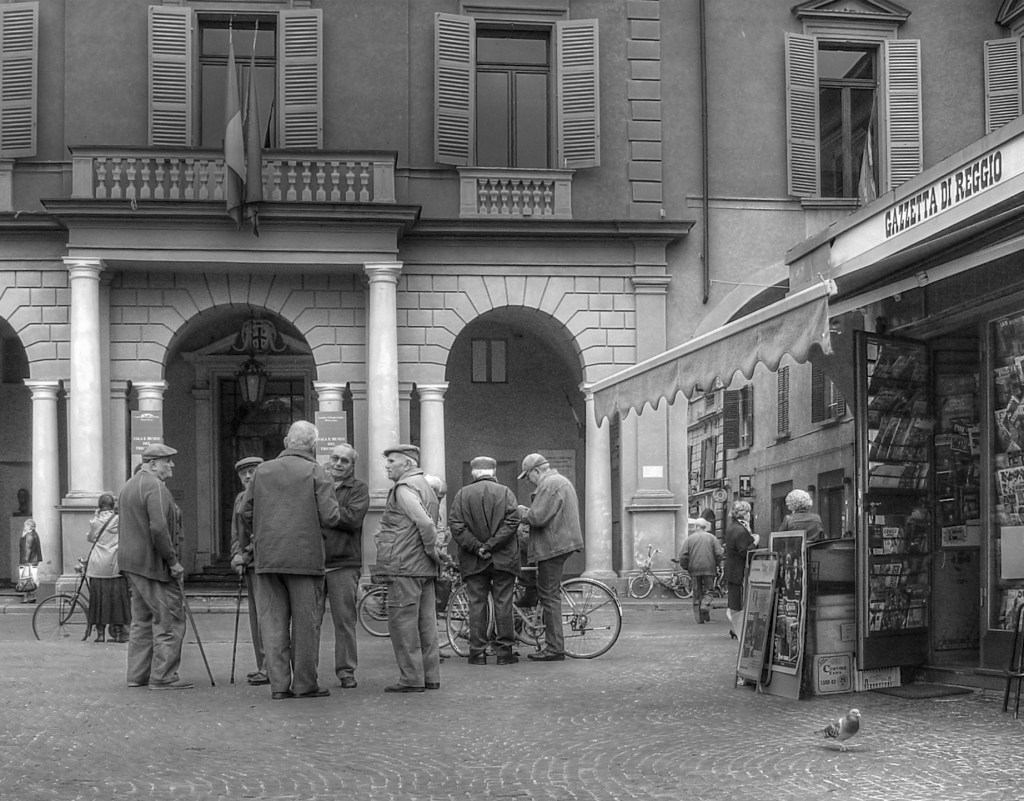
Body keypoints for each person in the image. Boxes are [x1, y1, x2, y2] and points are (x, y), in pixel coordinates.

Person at [241, 420, 342, 700]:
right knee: (306, 625)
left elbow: (244, 511)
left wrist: (263, 530)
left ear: (287, 442)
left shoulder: (262, 471)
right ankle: (304, 684)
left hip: (268, 557)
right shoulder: (315, 472)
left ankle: (278, 686)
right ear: (313, 445)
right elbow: (331, 516)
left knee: (272, 624)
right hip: (305, 558)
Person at [118, 443, 191, 690]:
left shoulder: (128, 486)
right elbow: (159, 529)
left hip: (132, 564)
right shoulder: (155, 487)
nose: (172, 465)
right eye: (167, 461)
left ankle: (137, 675)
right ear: (152, 464)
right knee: (169, 619)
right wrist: (173, 561)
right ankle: (163, 675)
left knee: (141, 620)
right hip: (153, 566)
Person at [373, 443, 444, 692]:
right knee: (426, 625)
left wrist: (430, 547)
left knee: (403, 625)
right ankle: (430, 676)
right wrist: (431, 553)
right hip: (423, 568)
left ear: (407, 464)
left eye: (392, 461)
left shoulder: (404, 488)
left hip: (405, 566)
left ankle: (411, 679)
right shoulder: (426, 486)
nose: (387, 465)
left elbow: (424, 522)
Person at [448, 456, 521, 666]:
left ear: (473, 473)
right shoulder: (505, 492)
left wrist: (477, 547)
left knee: (476, 604)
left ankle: (477, 652)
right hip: (503, 559)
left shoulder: (462, 494)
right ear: (494, 471)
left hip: (473, 560)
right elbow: (513, 521)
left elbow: (456, 526)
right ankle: (504, 652)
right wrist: (491, 545)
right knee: (503, 602)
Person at [516, 453, 584, 662]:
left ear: (536, 471)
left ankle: (555, 648)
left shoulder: (549, 484)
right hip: (561, 543)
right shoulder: (560, 482)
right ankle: (553, 644)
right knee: (549, 593)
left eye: (528, 477)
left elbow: (537, 517)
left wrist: (519, 511)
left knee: (549, 596)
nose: (528, 481)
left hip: (553, 546)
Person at [322, 443, 369, 689]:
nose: (339, 463)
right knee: (307, 623)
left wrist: (324, 512)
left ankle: (346, 670)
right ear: (329, 460)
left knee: (345, 622)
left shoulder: (359, 488)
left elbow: (352, 518)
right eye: (335, 458)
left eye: (345, 460)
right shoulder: (317, 484)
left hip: (344, 564)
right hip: (315, 564)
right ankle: (305, 672)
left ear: (352, 466)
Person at [229, 456, 268, 686]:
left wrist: (246, 554)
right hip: (248, 563)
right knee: (254, 618)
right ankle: (261, 663)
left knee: (265, 617)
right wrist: (236, 554)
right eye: (243, 473)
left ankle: (269, 666)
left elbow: (262, 532)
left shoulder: (265, 498)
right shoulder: (240, 498)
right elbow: (235, 530)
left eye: (252, 471)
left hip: (262, 562)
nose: (247, 476)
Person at [84, 494, 130, 643]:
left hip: (98, 566)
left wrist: (95, 518)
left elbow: (90, 538)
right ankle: (117, 633)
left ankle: (100, 634)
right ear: (112, 505)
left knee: (98, 601)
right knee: (117, 600)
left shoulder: (95, 521)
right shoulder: (119, 520)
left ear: (99, 506)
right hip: (115, 565)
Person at [724, 500, 759, 641]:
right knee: (738, 602)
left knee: (734, 601)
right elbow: (745, 552)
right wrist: (755, 542)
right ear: (743, 514)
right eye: (748, 512)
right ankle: (739, 630)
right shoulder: (739, 530)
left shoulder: (733, 527)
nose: (750, 515)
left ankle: (736, 629)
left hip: (733, 570)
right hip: (739, 571)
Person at [679, 517, 723, 624]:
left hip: (694, 569)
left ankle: (699, 618)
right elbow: (719, 553)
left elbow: (683, 555)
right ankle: (705, 604)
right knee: (709, 590)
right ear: (705, 527)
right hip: (709, 568)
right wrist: (717, 564)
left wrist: (686, 566)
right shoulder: (712, 538)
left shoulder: (689, 539)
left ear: (696, 527)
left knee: (696, 592)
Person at [17, 518, 41, 604]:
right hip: (33, 560)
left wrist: (25, 562)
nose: (24, 527)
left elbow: (27, 549)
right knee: (31, 579)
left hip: (29, 560)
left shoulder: (29, 535)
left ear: (29, 526)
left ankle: (28, 598)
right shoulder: (34, 534)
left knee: (26, 579)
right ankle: (31, 596)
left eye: (25, 526)